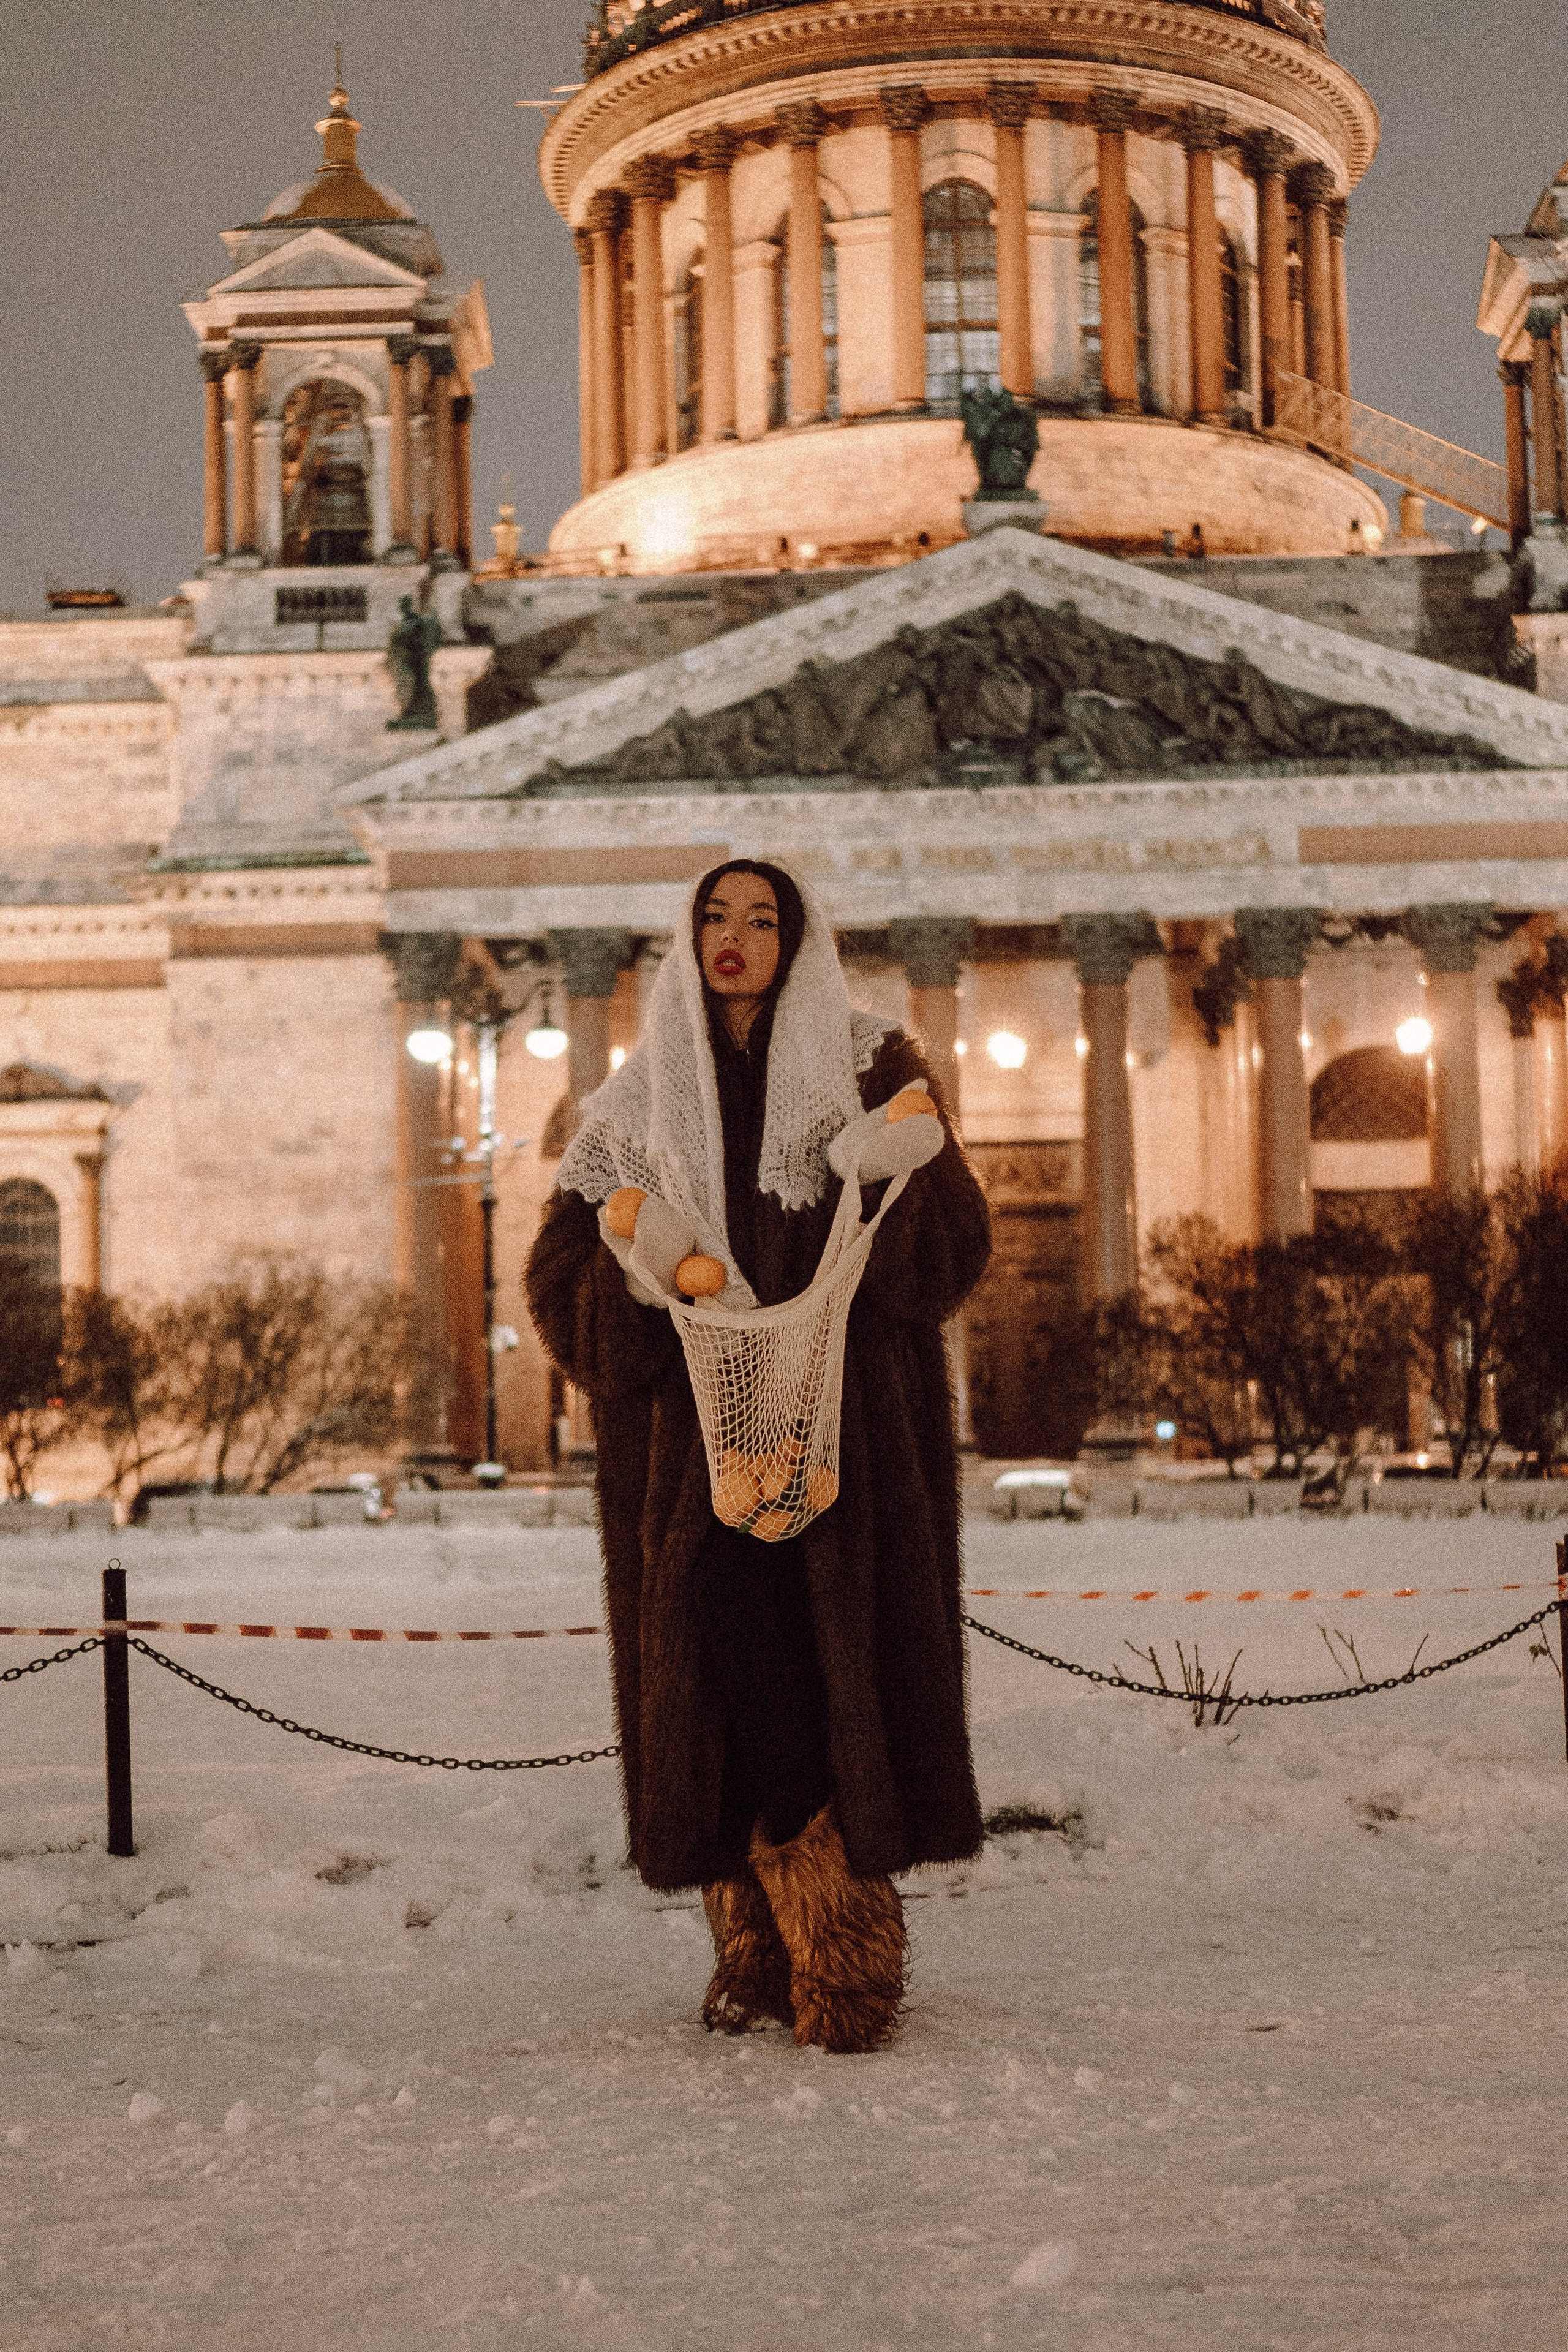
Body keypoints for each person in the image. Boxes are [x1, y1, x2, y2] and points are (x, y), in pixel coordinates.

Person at [524, 860, 992, 2052]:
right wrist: (641, 1288)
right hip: (689, 1452)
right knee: (723, 1664)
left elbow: (945, 1254)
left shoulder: (873, 1066)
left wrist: (885, 1188)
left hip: (846, 1441)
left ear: (797, 939)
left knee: (827, 1665)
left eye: (762, 919)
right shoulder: (631, 1105)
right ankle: (764, 1936)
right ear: (687, 942)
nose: (736, 938)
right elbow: (561, 1285)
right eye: (714, 919)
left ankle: (838, 1935)